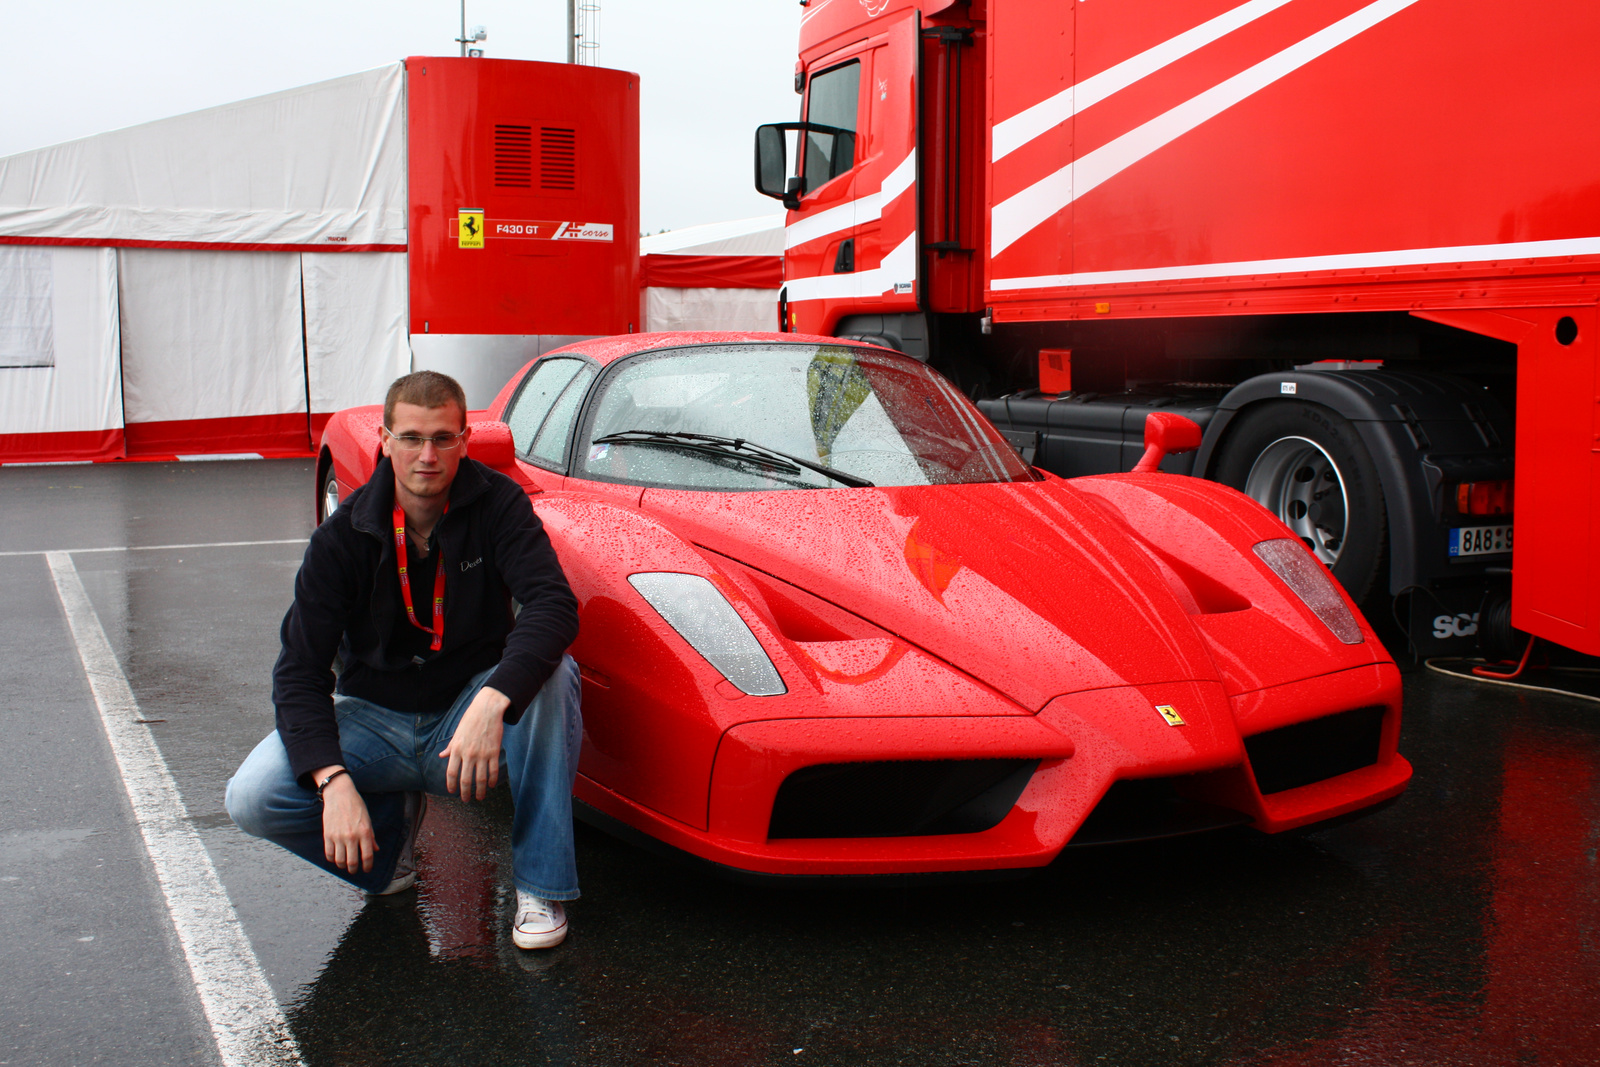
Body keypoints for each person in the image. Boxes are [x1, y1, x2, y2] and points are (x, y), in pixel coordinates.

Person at [226, 370, 581, 949]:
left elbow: (553, 605)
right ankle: (387, 848)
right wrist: (333, 782)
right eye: (412, 438)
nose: (427, 454)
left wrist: (493, 701)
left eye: (443, 438)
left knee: (550, 678)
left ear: (464, 440)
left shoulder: (498, 504)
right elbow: (299, 672)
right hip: (375, 720)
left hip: (466, 720)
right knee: (252, 797)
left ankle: (541, 887)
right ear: (385, 441)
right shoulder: (341, 539)